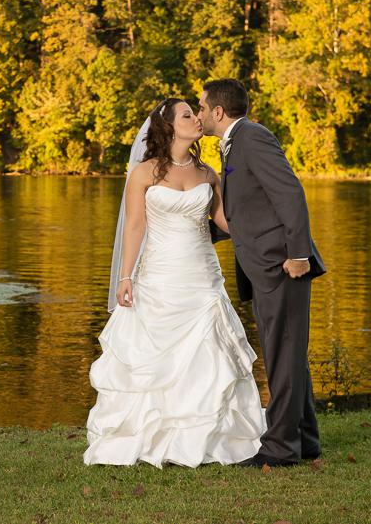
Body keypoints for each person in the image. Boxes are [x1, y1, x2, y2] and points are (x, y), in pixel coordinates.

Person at [84, 97, 265, 468]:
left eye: (196, 113)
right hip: (159, 276)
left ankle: (210, 440)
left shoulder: (208, 173)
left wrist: (270, 226)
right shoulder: (144, 173)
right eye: (188, 114)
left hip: (203, 276)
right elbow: (135, 227)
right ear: (169, 127)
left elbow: (226, 223)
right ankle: (150, 439)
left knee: (210, 354)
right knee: (155, 359)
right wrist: (125, 276)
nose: (197, 118)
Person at [197, 78, 326, 468]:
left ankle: (280, 449)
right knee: (287, 355)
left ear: (218, 112)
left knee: (283, 356)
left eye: (201, 107)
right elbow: (247, 207)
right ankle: (304, 440)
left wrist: (299, 254)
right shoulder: (237, 142)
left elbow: (289, 192)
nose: (199, 113)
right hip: (265, 266)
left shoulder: (251, 137)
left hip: (281, 264)